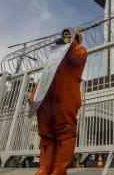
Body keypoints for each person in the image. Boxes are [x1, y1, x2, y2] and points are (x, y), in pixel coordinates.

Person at [29, 29, 87, 175]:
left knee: (65, 132)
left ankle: (59, 170)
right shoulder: (55, 53)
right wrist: (34, 93)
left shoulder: (80, 50)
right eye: (66, 36)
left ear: (76, 39)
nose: (66, 38)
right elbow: (45, 74)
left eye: (71, 36)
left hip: (65, 98)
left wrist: (70, 42)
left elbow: (74, 58)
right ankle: (44, 169)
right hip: (45, 99)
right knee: (46, 135)